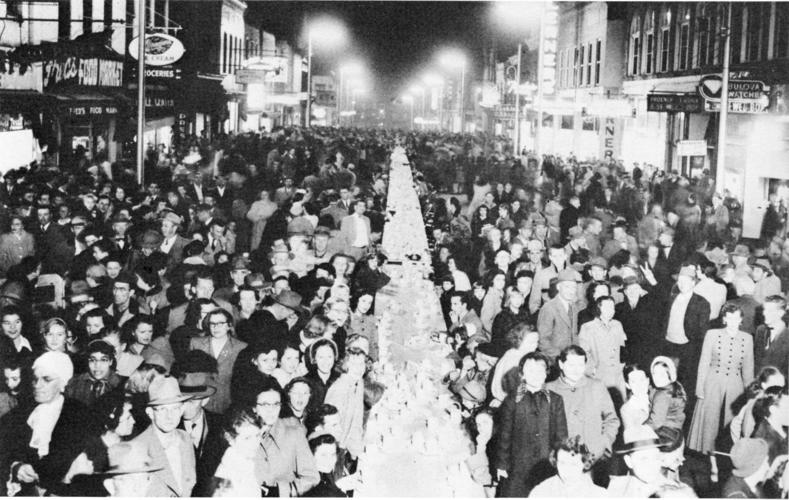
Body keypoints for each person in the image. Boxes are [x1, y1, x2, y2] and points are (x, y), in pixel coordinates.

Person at [0, 351, 97, 496]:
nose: (37, 385)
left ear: (62, 382)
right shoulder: (20, 412)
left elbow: (74, 461)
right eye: (35, 379)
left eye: (47, 379)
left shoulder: (80, 414)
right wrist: (15, 467)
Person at [495, 351, 568, 496]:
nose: (535, 374)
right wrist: (502, 465)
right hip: (517, 466)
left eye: (540, 370)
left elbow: (561, 436)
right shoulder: (512, 400)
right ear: (522, 374)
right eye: (530, 370)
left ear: (546, 373)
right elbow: (504, 435)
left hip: (547, 466)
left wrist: (561, 463)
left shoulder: (555, 400)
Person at [687, 303, 754, 458]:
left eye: (735, 318)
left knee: (732, 421)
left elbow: (748, 369)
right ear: (724, 319)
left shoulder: (747, 339)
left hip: (735, 385)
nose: (732, 322)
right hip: (713, 382)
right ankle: (707, 454)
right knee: (709, 420)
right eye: (729, 318)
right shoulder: (712, 334)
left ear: (741, 320)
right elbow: (704, 363)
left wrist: (750, 395)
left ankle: (727, 454)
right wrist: (700, 389)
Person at [546, 346, 620, 466]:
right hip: (562, 461)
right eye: (571, 365)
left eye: (580, 365)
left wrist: (603, 445)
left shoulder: (596, 386)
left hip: (594, 458)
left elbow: (612, 420)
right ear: (561, 364)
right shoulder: (549, 389)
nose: (576, 370)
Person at [129, 376, 196, 497]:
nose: (169, 416)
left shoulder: (185, 439)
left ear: (182, 410)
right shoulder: (136, 449)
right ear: (150, 413)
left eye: (175, 408)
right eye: (162, 409)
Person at [252, 378, 320, 497]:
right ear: (254, 408)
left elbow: (312, 477)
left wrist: (280, 491)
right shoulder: (244, 436)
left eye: (276, 404)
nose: (271, 410)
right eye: (265, 404)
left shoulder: (294, 433)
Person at [607, 425, 694, 497]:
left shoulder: (673, 492)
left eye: (656, 457)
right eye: (644, 459)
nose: (652, 465)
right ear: (629, 461)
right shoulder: (617, 487)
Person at [189, 308, 247, 414]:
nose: (216, 327)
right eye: (212, 323)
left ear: (229, 325)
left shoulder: (240, 347)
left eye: (220, 323)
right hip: (202, 402)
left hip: (228, 403)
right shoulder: (196, 344)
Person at [578, 295, 627, 399]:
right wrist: (592, 371)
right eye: (607, 307)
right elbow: (583, 353)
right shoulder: (587, 327)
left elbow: (622, 347)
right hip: (599, 376)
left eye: (612, 307)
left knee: (620, 402)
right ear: (598, 308)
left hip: (618, 375)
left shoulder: (617, 325)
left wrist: (622, 365)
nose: (611, 310)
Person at [528, 436, 607, 497]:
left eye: (573, 464)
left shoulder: (599, 495)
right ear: (555, 462)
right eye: (562, 463)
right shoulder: (540, 492)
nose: (567, 470)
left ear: (585, 464)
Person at [211, 406, 264, 497]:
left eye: (257, 435)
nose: (255, 443)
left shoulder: (248, 460)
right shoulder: (227, 474)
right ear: (230, 439)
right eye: (247, 438)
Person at [731, 366, 785, 443]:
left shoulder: (778, 403)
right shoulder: (754, 403)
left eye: (781, 388)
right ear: (764, 385)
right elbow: (736, 423)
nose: (779, 392)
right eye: (776, 387)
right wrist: (738, 443)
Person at [536, 268, 579, 359]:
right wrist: (561, 357)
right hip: (554, 358)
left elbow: (574, 334)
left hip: (572, 358)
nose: (571, 291)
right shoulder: (549, 308)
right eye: (567, 287)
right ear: (558, 287)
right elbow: (542, 340)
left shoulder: (574, 307)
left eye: (574, 287)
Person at [647, 356, 687, 430]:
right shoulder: (675, 387)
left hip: (664, 432)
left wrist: (639, 429)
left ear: (670, 375)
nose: (657, 378)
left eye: (661, 374)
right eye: (654, 373)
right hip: (676, 430)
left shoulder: (663, 394)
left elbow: (655, 423)